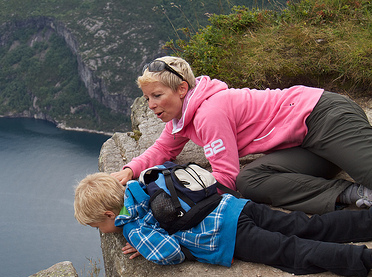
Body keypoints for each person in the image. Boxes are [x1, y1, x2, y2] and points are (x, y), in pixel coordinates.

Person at [111, 56, 372, 214]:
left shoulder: (209, 113)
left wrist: (172, 204)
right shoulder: (183, 117)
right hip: (305, 145)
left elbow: (225, 178)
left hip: (323, 116)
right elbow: (163, 149)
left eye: (157, 95)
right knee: (251, 180)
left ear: (181, 89)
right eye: (147, 98)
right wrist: (130, 170)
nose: (152, 105)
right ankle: (353, 194)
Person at [74, 172, 372, 277]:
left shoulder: (133, 228)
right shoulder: (141, 186)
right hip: (235, 205)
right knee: (306, 226)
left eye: (96, 226)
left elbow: (169, 254)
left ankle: (363, 260)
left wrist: (143, 244)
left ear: (110, 216)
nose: (100, 232)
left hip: (229, 234)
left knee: (292, 251)